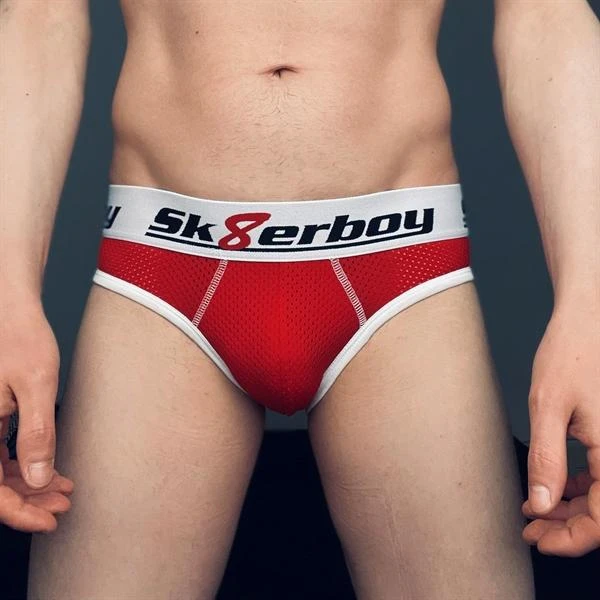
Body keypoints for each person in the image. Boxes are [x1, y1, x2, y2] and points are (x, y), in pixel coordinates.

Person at [0, 0, 597, 598]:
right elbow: (37, 15)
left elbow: (545, 15)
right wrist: (7, 292)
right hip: (162, 264)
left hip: (400, 262)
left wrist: (589, 305)